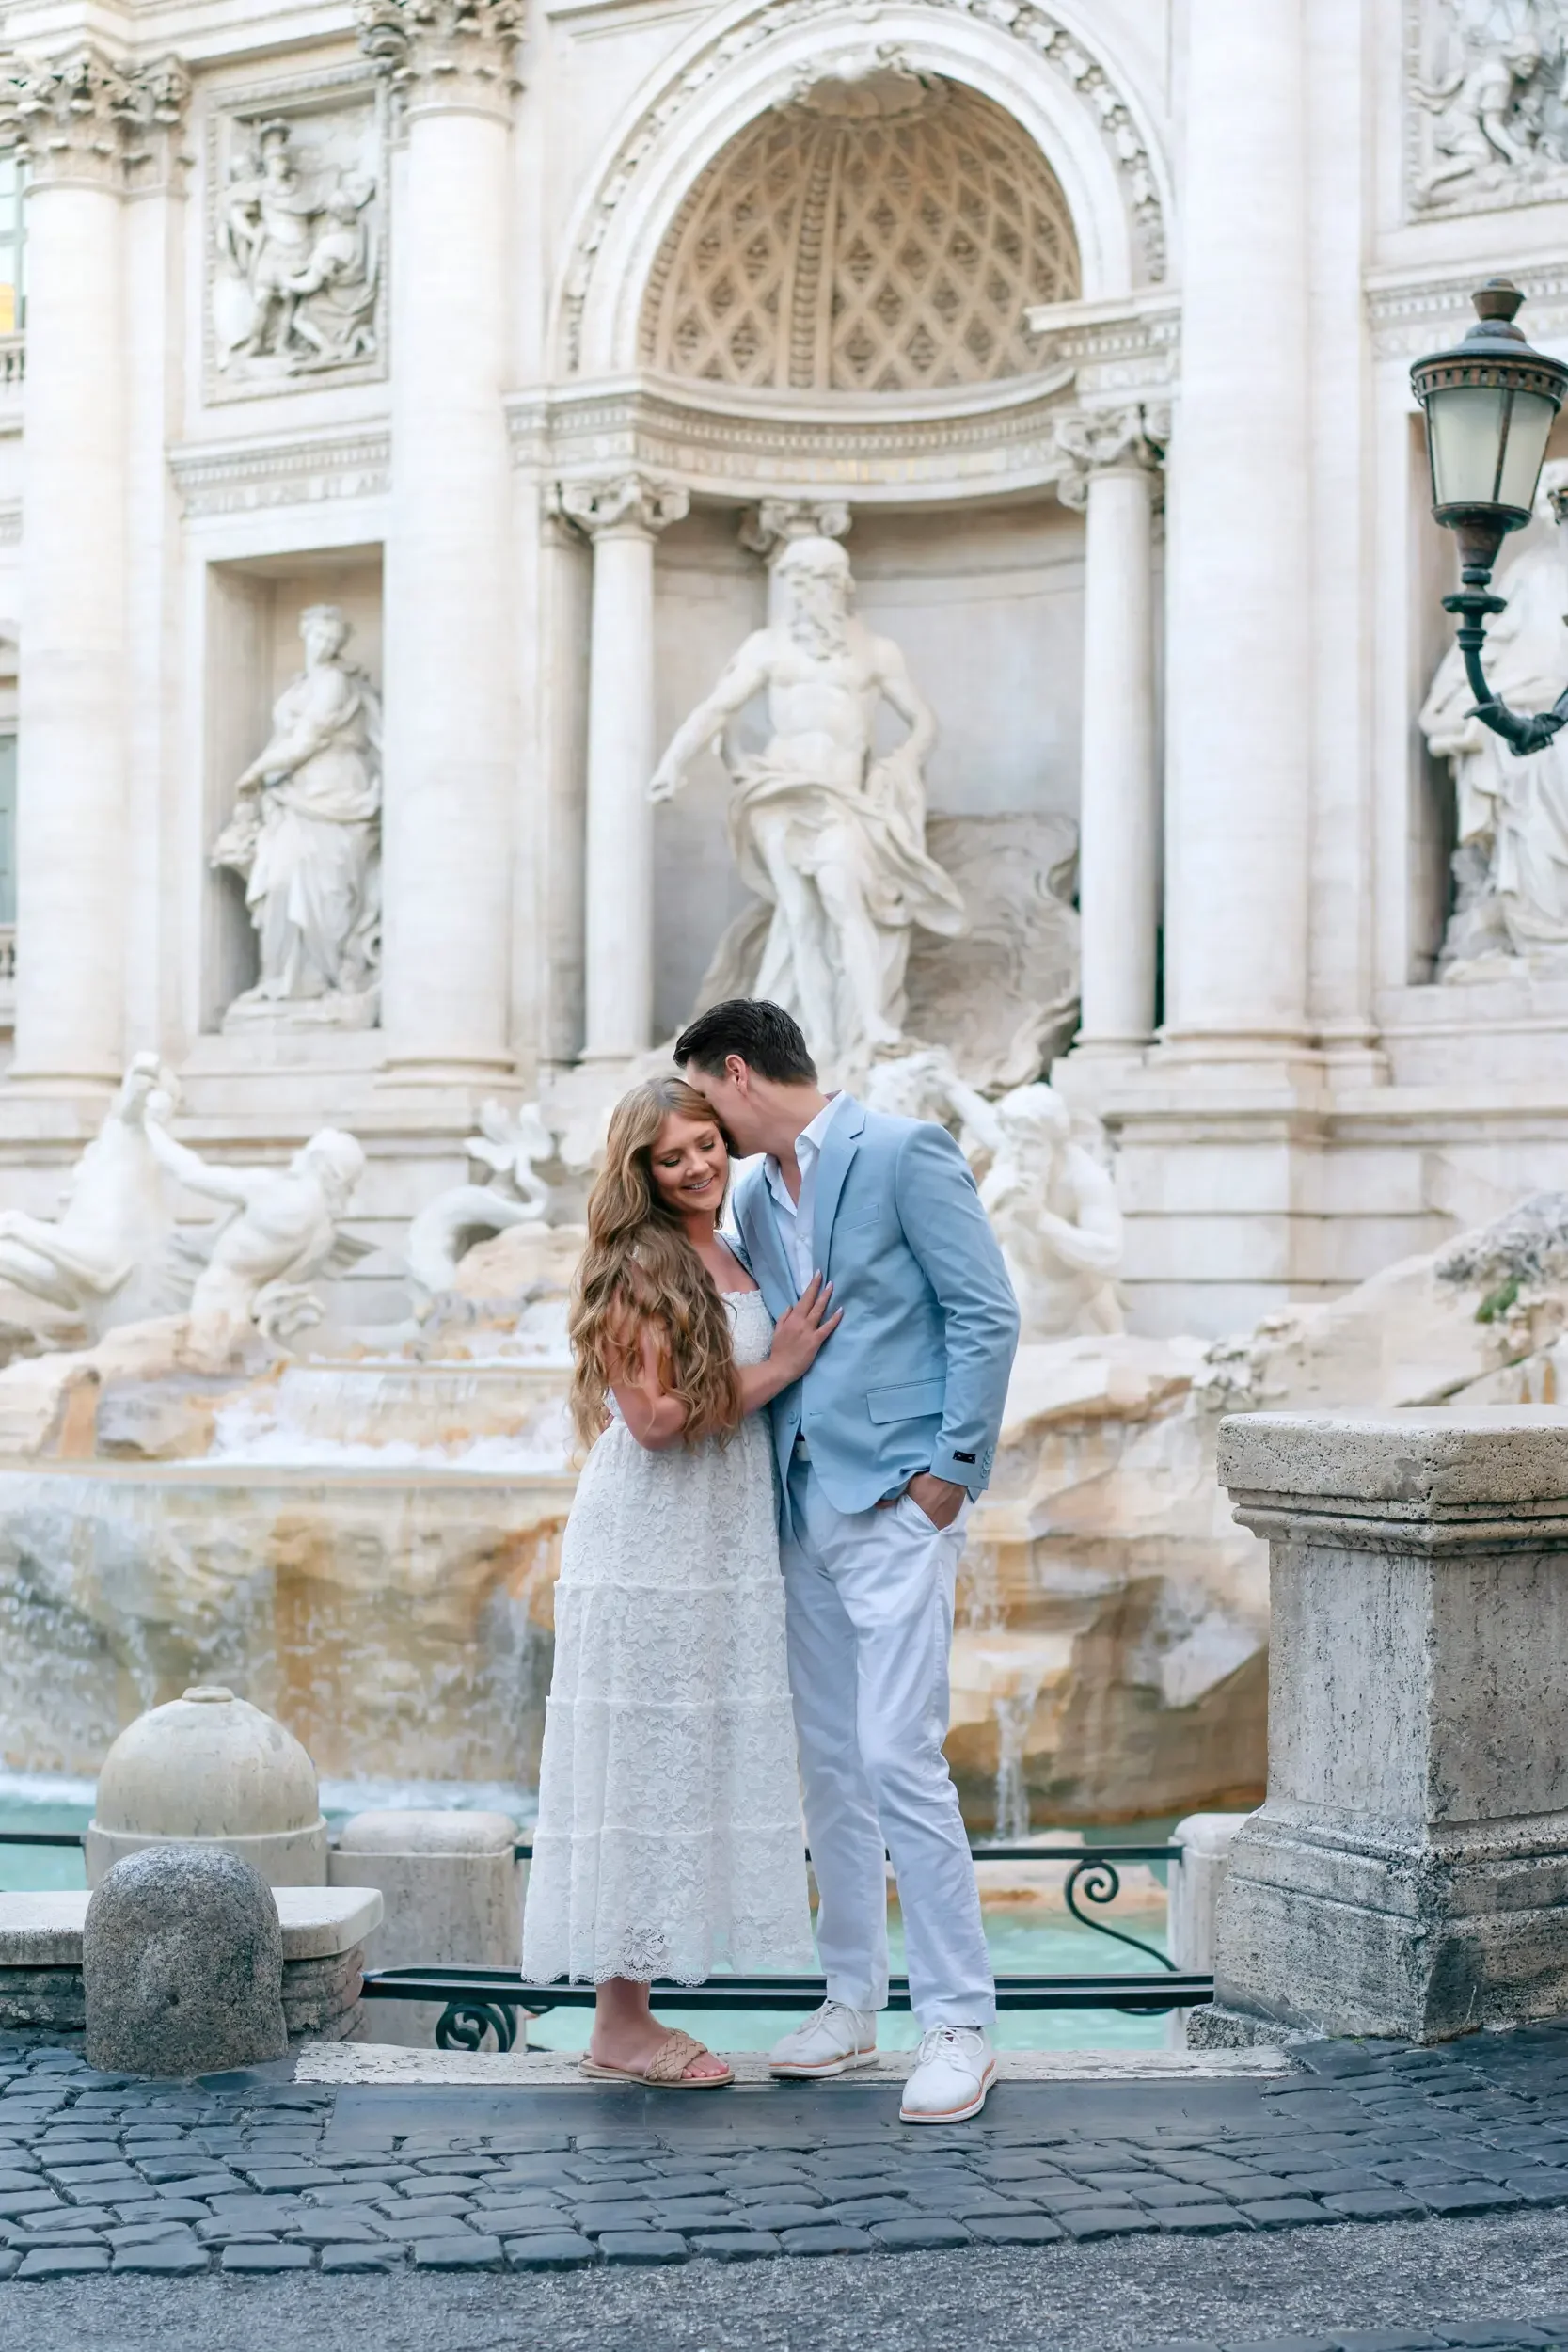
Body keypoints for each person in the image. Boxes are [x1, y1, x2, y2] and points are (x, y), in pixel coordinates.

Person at [674, 999, 1021, 2124]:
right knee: (828, 1762)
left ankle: (959, 2020)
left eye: (703, 1100)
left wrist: (947, 1476)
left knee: (895, 1753)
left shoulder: (904, 1150)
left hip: (897, 1502)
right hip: (800, 1507)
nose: (701, 1127)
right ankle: (850, 1998)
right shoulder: (757, 1192)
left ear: (737, 1073)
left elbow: (984, 1313)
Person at [521, 1075, 838, 2087]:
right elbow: (654, 1420)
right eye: (673, 1156)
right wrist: (780, 1364)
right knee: (641, 1760)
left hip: (720, 1540)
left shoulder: (737, 1239)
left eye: (706, 1144)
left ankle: (639, 2006)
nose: (698, 1165)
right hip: (652, 1543)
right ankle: (618, 2024)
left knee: (685, 1755)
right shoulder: (633, 1266)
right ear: (641, 1174)